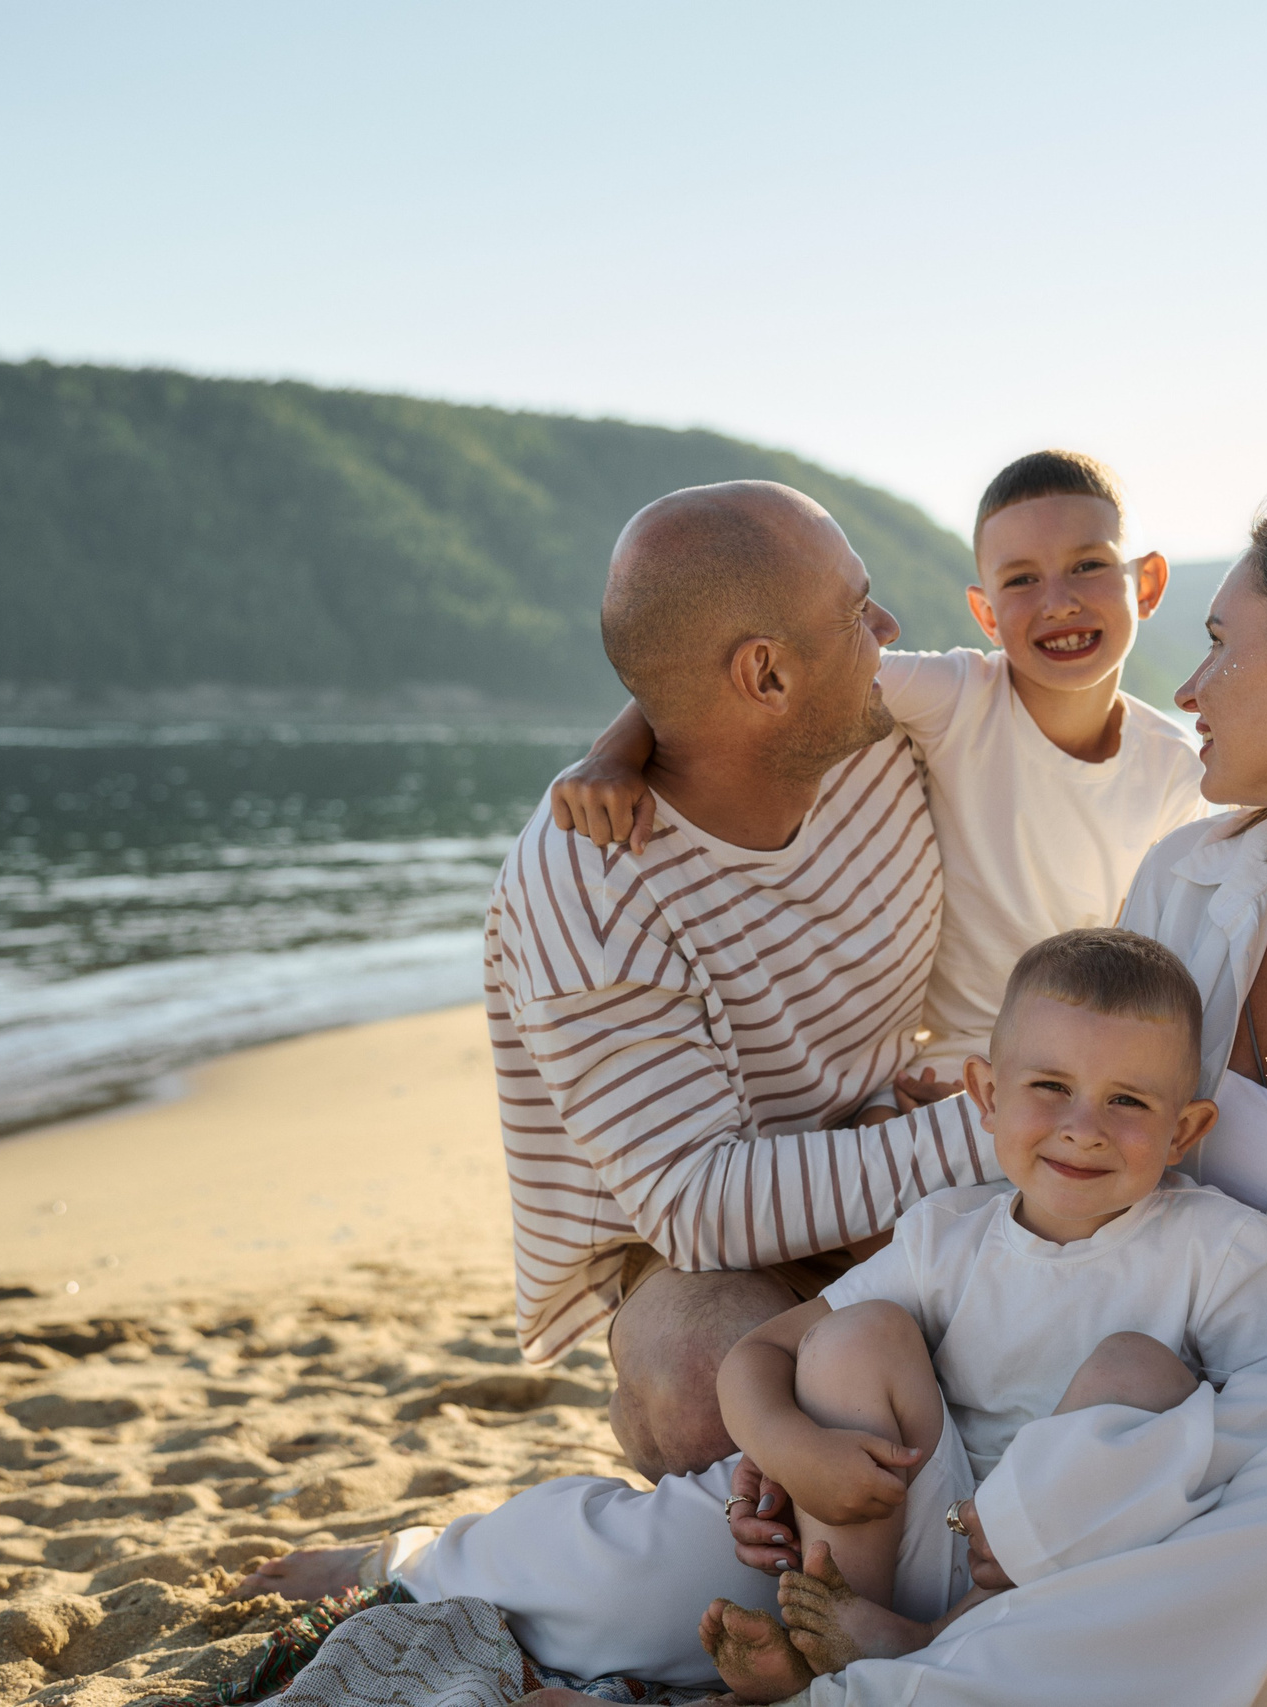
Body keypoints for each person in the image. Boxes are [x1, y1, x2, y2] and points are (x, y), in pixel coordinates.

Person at [262, 494, 1267, 1707]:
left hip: (1238, 1467)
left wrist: (1079, 1491)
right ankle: (431, 1561)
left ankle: (896, 1681)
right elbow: (736, 673)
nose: (1187, 683)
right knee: (674, 1568)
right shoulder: (1191, 878)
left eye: (1217, 643)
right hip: (1008, 1403)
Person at [240, 479, 1002, 1605]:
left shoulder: (892, 732)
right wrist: (987, 1133)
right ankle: (420, 1565)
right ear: (765, 676)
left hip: (895, 1145)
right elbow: (697, 1204)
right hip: (701, 1248)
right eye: (859, 610)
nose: (887, 631)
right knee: (707, 1391)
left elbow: (1066, 705)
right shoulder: (587, 889)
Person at [700, 929, 1267, 1702]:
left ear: (1184, 1130)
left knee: (1138, 1368)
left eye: (1127, 1100)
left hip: (1068, 1583)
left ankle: (928, 1652)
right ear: (988, 1097)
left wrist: (1048, 1507)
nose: (1083, 1125)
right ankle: (838, 1632)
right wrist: (789, 1447)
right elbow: (760, 1352)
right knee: (853, 1337)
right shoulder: (945, 1235)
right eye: (1050, 1086)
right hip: (923, 1540)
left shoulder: (1219, 1249)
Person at [550, 449, 1212, 1092]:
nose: (1058, 600)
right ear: (984, 612)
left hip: (1085, 1060)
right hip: (946, 1067)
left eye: (1088, 565)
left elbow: (1154, 958)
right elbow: (745, 680)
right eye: (1021, 579)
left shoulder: (1174, 771)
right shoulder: (958, 696)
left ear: (1146, 583)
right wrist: (613, 753)